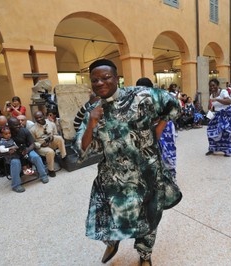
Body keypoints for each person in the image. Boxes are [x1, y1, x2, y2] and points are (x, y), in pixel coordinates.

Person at [73, 59, 182, 266]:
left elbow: (172, 104)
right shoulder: (93, 109)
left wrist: (158, 129)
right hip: (113, 177)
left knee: (148, 217)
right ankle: (112, 242)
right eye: (95, 80)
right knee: (110, 215)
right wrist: (91, 122)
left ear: (116, 78)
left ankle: (145, 255)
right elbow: (80, 150)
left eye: (106, 78)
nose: (100, 83)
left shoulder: (141, 94)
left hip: (146, 173)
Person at [0, 117, 48, 193]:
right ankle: (16, 185)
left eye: (19, 124)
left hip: (25, 150)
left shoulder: (24, 130)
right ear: (10, 126)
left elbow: (32, 144)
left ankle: (43, 175)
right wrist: (7, 152)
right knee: (15, 162)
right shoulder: (4, 133)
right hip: (13, 154)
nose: (19, 126)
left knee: (35, 157)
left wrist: (27, 150)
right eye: (16, 125)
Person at [136, 77, 178, 176]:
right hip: (149, 128)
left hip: (165, 126)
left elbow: (173, 108)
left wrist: (160, 120)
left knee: (167, 150)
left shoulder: (161, 96)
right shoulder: (138, 98)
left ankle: (170, 175)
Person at [205, 78, 231, 157]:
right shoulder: (212, 95)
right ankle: (212, 148)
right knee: (210, 129)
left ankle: (227, 150)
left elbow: (229, 101)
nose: (212, 87)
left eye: (213, 85)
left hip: (226, 114)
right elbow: (212, 107)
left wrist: (217, 99)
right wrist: (210, 106)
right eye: (210, 86)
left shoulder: (223, 92)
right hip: (217, 114)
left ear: (217, 85)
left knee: (225, 132)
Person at [30, 111, 66, 177]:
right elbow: (32, 143)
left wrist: (52, 138)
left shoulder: (51, 124)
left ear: (43, 116)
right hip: (41, 147)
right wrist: (41, 145)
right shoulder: (32, 129)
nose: (39, 119)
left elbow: (56, 134)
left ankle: (63, 156)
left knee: (59, 138)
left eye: (40, 117)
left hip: (51, 142)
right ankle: (51, 170)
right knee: (50, 152)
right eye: (36, 118)